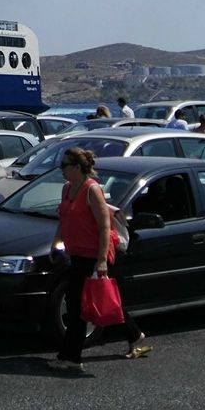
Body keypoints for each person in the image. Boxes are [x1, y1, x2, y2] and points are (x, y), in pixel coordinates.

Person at [50, 147, 149, 372]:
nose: (61, 169)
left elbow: (105, 227)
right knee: (102, 301)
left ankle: (71, 358)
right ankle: (135, 335)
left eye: (64, 165)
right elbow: (64, 218)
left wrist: (102, 260)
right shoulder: (67, 188)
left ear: (77, 167)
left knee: (78, 306)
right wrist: (56, 242)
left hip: (94, 255)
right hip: (76, 254)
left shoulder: (92, 190)